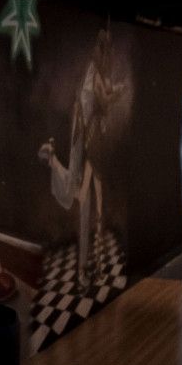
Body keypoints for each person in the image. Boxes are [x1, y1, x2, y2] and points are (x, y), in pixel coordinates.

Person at [38, 29, 123, 284]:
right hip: (84, 140)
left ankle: (88, 266)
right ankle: (84, 268)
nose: (107, 56)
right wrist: (117, 92)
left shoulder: (98, 75)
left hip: (91, 141)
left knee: (92, 204)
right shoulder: (94, 74)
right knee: (82, 198)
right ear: (101, 52)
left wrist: (114, 90)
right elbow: (103, 101)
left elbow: (104, 97)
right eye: (105, 51)